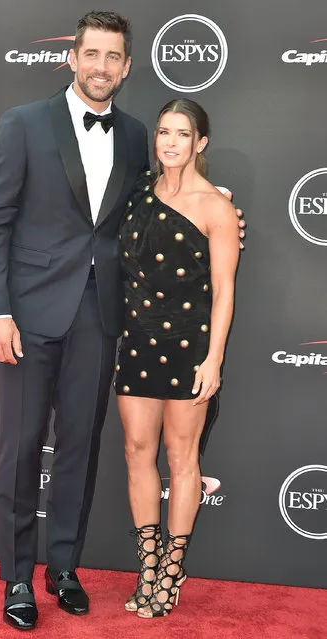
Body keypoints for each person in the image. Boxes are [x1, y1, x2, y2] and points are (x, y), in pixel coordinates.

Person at [0, 10, 245, 631]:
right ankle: (17, 577)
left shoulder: (131, 135)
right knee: (19, 451)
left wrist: (225, 212)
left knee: (79, 450)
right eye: (91, 54)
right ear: (72, 57)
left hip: (103, 319)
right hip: (27, 317)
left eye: (113, 58)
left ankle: (62, 566)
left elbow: (168, 204)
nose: (101, 67)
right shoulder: (23, 124)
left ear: (126, 66)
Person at [115, 99, 240, 618]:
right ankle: (147, 565)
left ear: (200, 143)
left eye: (182, 134)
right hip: (138, 340)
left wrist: (213, 361)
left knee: (181, 459)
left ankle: (172, 570)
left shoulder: (216, 206)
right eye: (163, 132)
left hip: (189, 345)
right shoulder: (138, 191)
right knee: (136, 451)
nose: (169, 142)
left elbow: (225, 291)